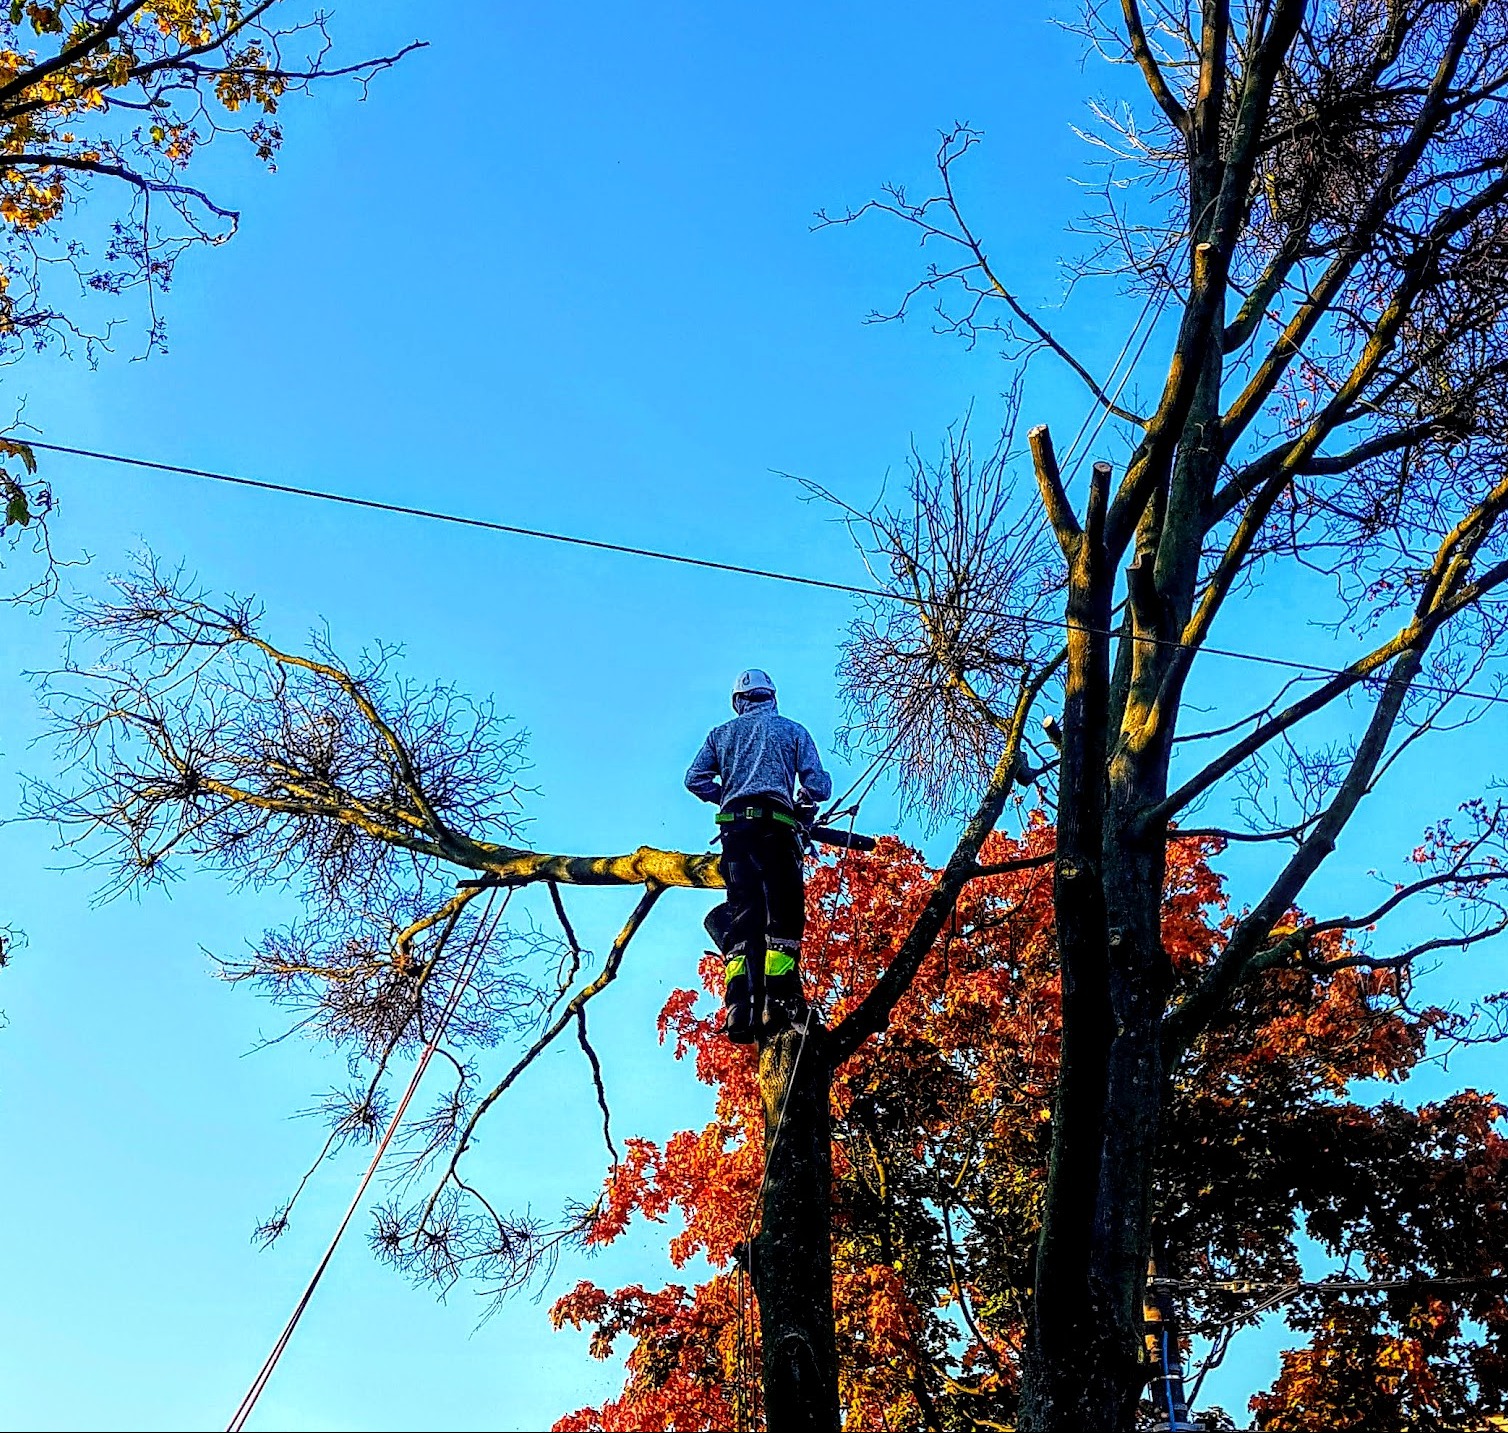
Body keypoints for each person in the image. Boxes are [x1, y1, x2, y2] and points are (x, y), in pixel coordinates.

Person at [685, 668, 832, 1043]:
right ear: (772, 697)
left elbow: (694, 779)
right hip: (776, 829)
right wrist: (804, 799)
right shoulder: (792, 730)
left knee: (743, 915)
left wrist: (728, 794)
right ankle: (779, 1001)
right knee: (784, 912)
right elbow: (818, 786)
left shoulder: (721, 734)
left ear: (738, 701)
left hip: (735, 834)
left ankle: (739, 1006)